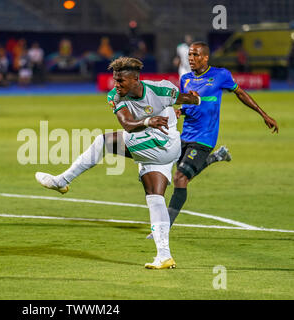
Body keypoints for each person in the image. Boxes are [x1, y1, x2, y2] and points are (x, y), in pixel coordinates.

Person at [35, 57, 201, 269]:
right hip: (151, 146)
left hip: (165, 145)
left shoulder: (160, 90)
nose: (116, 85)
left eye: (121, 81)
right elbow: (127, 124)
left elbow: (186, 99)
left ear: (135, 79)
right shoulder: (115, 96)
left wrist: (196, 99)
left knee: (103, 142)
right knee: (154, 197)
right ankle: (164, 256)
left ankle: (62, 181)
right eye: (115, 80)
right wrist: (149, 121)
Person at [164, 41, 279, 231]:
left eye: (196, 55)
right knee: (185, 177)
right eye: (190, 55)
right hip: (185, 135)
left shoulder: (220, 75)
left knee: (180, 178)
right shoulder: (185, 79)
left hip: (204, 137)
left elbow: (240, 93)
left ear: (206, 57)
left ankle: (164, 228)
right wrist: (180, 111)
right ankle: (217, 157)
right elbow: (190, 104)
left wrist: (263, 114)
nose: (191, 59)